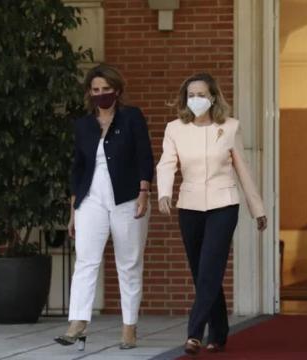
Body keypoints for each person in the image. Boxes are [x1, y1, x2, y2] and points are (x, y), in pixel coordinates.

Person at [156, 73, 267, 356]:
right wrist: (164, 192)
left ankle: (194, 333)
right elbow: (166, 163)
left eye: (201, 94)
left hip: (223, 204)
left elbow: (243, 169)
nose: (196, 100)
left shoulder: (230, 127)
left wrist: (258, 209)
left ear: (213, 98)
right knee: (202, 272)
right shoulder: (174, 129)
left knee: (210, 268)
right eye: (191, 95)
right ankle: (219, 332)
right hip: (189, 206)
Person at [55, 64, 154, 350]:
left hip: (127, 196)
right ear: (89, 93)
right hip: (91, 197)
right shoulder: (83, 125)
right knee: (86, 260)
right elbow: (78, 168)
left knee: (129, 263)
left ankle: (129, 328)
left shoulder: (132, 117)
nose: (101, 95)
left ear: (117, 90)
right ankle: (77, 322)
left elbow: (145, 155)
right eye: (96, 90)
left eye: (106, 90)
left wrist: (144, 191)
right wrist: (73, 210)